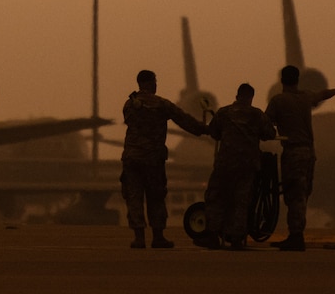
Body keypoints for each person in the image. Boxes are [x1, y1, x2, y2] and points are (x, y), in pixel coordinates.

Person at [118, 68, 208, 248]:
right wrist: (203, 129)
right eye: (154, 81)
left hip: (132, 159)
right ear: (150, 82)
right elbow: (183, 120)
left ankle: (139, 238)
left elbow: (129, 121)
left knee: (134, 198)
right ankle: (158, 237)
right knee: (156, 196)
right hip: (152, 160)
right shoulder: (161, 104)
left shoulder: (129, 104)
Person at [264, 64, 335, 251]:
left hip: (293, 153)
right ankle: (296, 234)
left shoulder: (278, 101)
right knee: (302, 194)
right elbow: (321, 95)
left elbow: (264, 124)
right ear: (297, 80)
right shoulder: (305, 98)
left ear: (282, 81)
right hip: (309, 153)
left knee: (294, 196)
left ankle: (296, 236)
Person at [203, 82, 275, 249]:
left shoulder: (224, 113)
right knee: (241, 201)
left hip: (225, 164)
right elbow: (270, 133)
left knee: (216, 197)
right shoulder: (257, 115)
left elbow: (213, 132)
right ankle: (237, 238)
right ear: (251, 98)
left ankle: (213, 235)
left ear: (237, 96)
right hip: (247, 165)